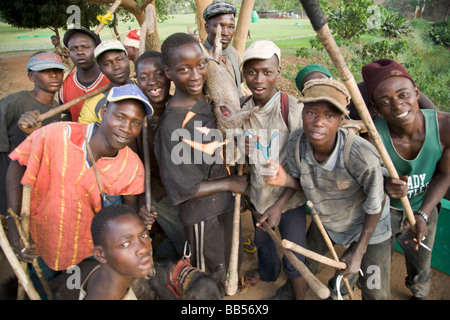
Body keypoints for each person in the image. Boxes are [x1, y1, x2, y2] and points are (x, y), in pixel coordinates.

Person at [5, 84, 154, 285]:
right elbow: (18, 165)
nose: (126, 128)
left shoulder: (132, 167)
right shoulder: (55, 135)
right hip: (39, 241)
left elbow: (128, 209)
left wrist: (140, 219)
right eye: (119, 117)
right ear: (103, 112)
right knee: (39, 286)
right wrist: (13, 222)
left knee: (75, 291)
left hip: (89, 251)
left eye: (135, 122)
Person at [262, 78, 392, 300]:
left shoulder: (360, 155)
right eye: (311, 112)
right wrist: (278, 205)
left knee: (375, 286)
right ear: (302, 112)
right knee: (306, 260)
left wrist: (359, 250)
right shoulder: (296, 143)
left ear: (342, 120)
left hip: (369, 226)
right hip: (328, 220)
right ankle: (292, 291)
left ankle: (341, 287)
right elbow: (297, 178)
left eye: (329, 116)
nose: (318, 122)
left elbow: (376, 201)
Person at [154, 33, 247, 292]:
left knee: (231, 259)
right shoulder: (172, 127)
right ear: (168, 72)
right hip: (202, 213)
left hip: (226, 200)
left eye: (200, 65)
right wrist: (231, 182)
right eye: (184, 69)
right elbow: (185, 189)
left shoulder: (207, 100)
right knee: (209, 276)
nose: (196, 75)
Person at [362, 58, 450, 299]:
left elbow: (446, 173)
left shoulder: (444, 126)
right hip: (381, 212)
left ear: (417, 92)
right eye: (385, 101)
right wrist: (383, 185)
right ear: (376, 107)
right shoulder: (372, 139)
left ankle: (419, 291)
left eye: (403, 95)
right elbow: (361, 182)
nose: (397, 105)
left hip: (424, 205)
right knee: (374, 271)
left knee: (420, 259)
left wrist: (422, 214)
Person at [240, 40, 307, 300]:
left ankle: (298, 295)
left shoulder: (292, 110)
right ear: (244, 72)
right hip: (258, 195)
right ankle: (267, 274)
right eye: (252, 71)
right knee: (264, 243)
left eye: (267, 72)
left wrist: (278, 206)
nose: (259, 79)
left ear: (278, 73)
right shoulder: (242, 109)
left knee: (293, 253)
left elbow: (303, 169)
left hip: (289, 200)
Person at [0, 51, 67, 216]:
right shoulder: (15, 101)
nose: (53, 75)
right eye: (45, 71)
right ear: (31, 76)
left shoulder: (55, 109)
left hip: (33, 183)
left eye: (58, 71)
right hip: (8, 180)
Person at [134, 50, 186, 259]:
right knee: (187, 239)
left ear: (168, 74)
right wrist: (140, 202)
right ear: (136, 81)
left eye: (158, 74)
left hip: (187, 188)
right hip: (156, 192)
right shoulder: (136, 118)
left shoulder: (183, 109)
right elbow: (132, 170)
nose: (152, 82)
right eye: (143, 77)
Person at [80, 204, 153, 300]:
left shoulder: (103, 277)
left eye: (143, 236)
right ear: (100, 254)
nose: (143, 249)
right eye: (125, 244)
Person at [59, 28, 110, 122]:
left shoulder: (111, 79)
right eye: (73, 49)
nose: (79, 52)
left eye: (85, 47)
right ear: (68, 53)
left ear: (97, 49)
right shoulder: (64, 85)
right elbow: (70, 115)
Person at [78, 40, 134, 124]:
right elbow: (83, 134)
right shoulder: (92, 105)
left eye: (119, 59)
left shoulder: (146, 86)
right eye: (107, 63)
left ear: (127, 59)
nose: (116, 67)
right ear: (101, 69)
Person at [203, 0, 242, 96]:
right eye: (219, 26)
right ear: (207, 27)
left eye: (231, 27)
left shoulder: (234, 54)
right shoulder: (198, 57)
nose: (225, 32)